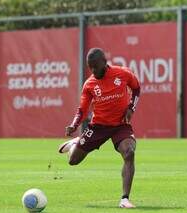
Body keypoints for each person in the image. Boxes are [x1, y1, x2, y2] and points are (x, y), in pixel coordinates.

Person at [58, 48, 140, 208]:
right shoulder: (89, 84)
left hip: (120, 125)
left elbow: (136, 88)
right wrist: (74, 125)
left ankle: (124, 199)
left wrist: (131, 108)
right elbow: (82, 109)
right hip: (98, 126)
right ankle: (75, 143)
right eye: (90, 67)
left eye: (96, 66)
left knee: (129, 153)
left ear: (104, 62)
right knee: (73, 161)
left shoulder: (123, 74)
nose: (93, 71)